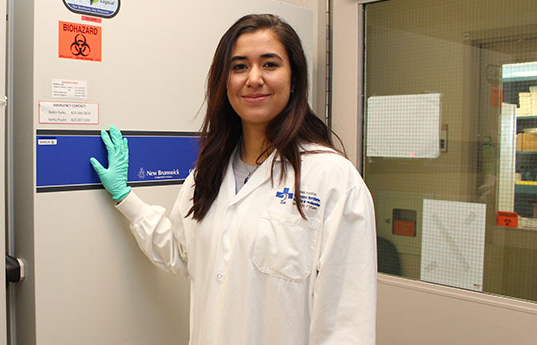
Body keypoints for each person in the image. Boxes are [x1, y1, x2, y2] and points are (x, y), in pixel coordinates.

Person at [90, 14, 377, 345]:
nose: (254, 78)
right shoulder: (208, 174)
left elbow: (346, 324)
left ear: (294, 79)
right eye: (239, 67)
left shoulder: (333, 180)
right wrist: (125, 197)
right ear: (224, 82)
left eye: (269, 64)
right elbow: (183, 252)